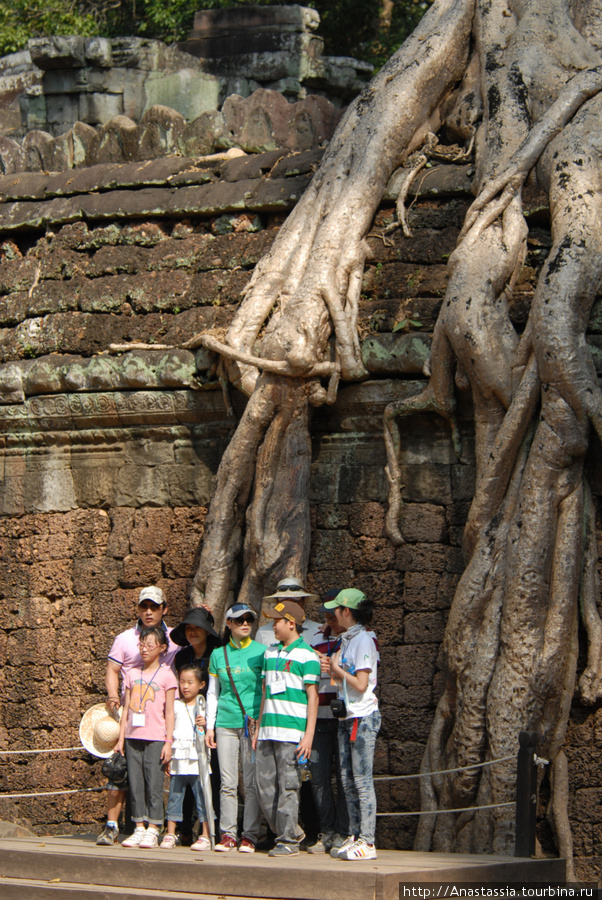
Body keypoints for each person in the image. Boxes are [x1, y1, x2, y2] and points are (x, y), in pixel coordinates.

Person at [97, 585, 177, 846]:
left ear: (164, 608)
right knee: (123, 774)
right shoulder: (124, 639)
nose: (149, 611)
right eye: (144, 606)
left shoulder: (175, 637)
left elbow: (199, 637)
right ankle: (129, 825)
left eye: (154, 606)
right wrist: (112, 697)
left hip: (158, 720)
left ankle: (158, 826)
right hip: (130, 718)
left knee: (154, 778)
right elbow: (112, 669)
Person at [252, 599, 320, 857]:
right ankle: (293, 831)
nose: (272, 626)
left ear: (291, 624)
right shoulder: (269, 653)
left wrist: (308, 735)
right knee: (264, 788)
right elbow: (264, 691)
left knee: (289, 787)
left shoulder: (308, 655)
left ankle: (288, 841)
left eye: (276, 622)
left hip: (292, 734)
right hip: (267, 730)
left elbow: (312, 697)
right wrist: (258, 727)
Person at [323, 588, 380, 861]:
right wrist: (334, 673)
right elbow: (346, 682)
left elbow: (360, 683)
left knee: (362, 781)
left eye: (336, 609)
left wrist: (337, 670)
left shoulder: (364, 640)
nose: (332, 614)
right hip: (347, 716)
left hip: (362, 717)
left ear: (347, 611)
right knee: (346, 780)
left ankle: (368, 841)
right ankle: (354, 836)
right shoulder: (346, 639)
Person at [205, 603, 266, 852]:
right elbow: (212, 693)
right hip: (226, 723)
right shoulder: (218, 654)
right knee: (228, 782)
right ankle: (227, 834)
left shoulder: (262, 651)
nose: (245, 624)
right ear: (228, 623)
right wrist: (210, 726)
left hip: (252, 724)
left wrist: (262, 722)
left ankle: (250, 835)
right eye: (239, 620)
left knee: (251, 783)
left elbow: (266, 691)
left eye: (249, 620)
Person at [114, 625, 177, 849]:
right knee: (136, 782)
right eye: (142, 644)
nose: (144, 649)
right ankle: (138, 826)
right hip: (133, 736)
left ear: (161, 648)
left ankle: (154, 827)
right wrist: (121, 739)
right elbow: (126, 710)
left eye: (150, 645)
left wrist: (169, 742)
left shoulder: (167, 675)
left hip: (156, 737)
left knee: (154, 781)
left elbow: (169, 712)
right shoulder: (131, 673)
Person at [170, 606, 221, 844]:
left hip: (213, 723)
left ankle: (211, 829)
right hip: (185, 723)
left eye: (197, 627)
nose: (192, 632)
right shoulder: (181, 656)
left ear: (207, 630)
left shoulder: (217, 654)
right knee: (183, 777)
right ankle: (183, 829)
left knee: (212, 777)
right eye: (188, 628)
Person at [305, 595, 349, 855]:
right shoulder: (316, 640)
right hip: (319, 717)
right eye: (326, 615)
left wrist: (333, 667)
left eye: (334, 615)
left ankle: (344, 832)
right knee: (318, 778)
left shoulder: (355, 639)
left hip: (345, 717)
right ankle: (327, 831)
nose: (330, 620)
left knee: (345, 778)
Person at [162, 664, 212, 851]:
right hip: (179, 756)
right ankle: (170, 832)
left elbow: (210, 731)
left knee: (202, 795)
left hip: (198, 757)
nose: (185, 686)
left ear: (201, 684)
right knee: (175, 794)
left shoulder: (204, 705)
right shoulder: (175, 705)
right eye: (182, 681)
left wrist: (206, 723)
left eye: (190, 682)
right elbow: (170, 729)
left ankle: (205, 834)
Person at [255, 578, 321, 647]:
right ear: (277, 602)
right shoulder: (263, 632)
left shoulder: (318, 631)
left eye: (294, 601)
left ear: (303, 601)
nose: (288, 605)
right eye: (284, 602)